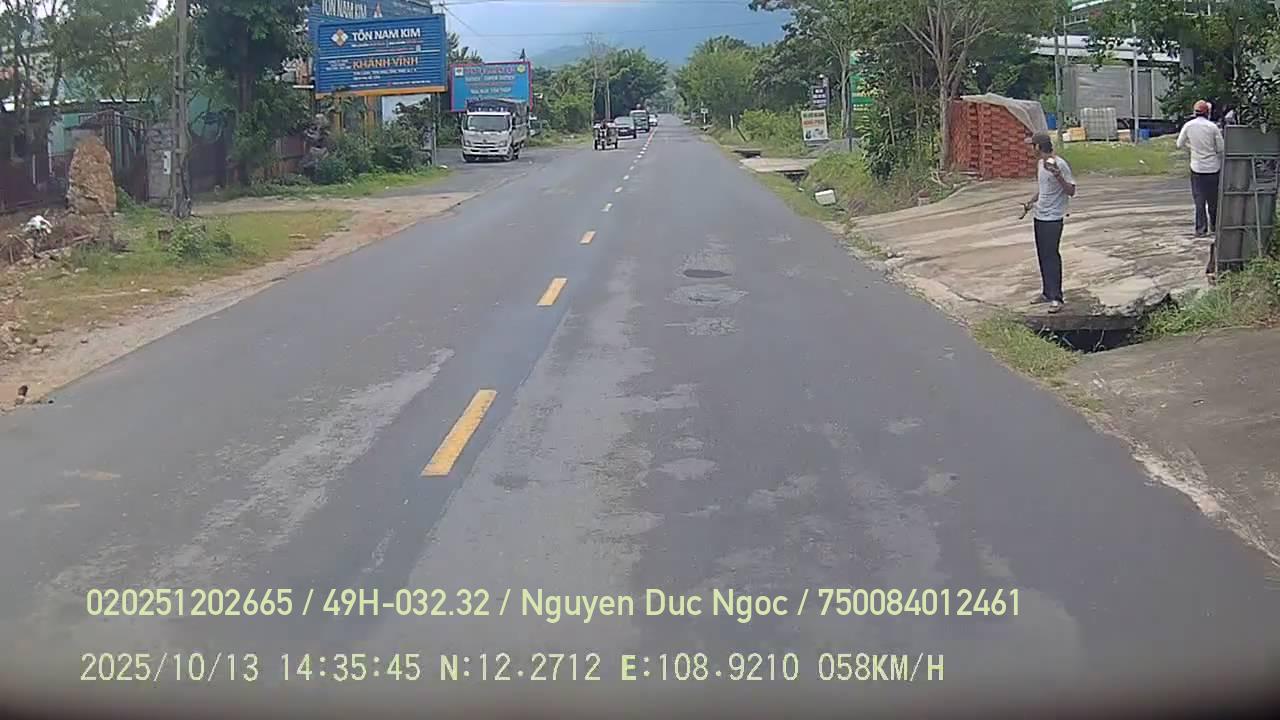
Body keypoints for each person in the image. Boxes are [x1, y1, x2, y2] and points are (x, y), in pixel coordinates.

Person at [1022, 132, 1076, 314]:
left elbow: (1071, 191)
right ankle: (1047, 292)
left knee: (1052, 256)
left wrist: (1058, 176)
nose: (1031, 150)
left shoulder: (1059, 164)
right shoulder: (1040, 164)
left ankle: (1057, 298)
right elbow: (1044, 189)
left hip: (1053, 218)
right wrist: (1031, 202)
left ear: (1039, 147)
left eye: (1032, 146)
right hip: (1040, 215)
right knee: (1042, 255)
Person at [1175, 100, 1224, 242]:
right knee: (1213, 200)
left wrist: (1191, 147)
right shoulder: (1212, 127)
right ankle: (1214, 226)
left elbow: (1179, 144)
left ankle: (1201, 229)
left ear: (1194, 112)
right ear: (1208, 113)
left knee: (1199, 200)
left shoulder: (1188, 126)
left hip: (1197, 167)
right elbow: (1221, 148)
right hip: (1213, 168)